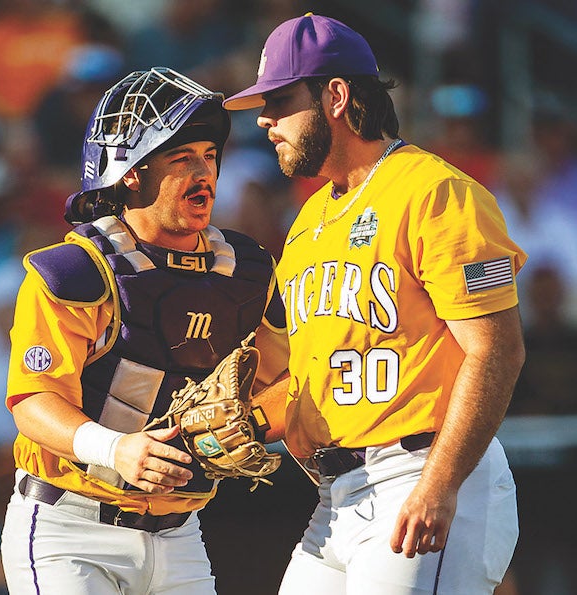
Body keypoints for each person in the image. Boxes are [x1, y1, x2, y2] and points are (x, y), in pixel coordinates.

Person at [224, 13, 527, 594]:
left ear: (335, 96)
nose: (265, 119)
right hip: (333, 498)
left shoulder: (434, 192)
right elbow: (292, 368)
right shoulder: (310, 218)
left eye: (280, 100)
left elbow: (497, 352)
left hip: (422, 470)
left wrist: (439, 486)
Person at [0, 67, 289, 594]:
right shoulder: (75, 270)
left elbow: (287, 382)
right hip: (70, 527)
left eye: (209, 155)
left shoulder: (248, 271)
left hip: (180, 533)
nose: (203, 172)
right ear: (132, 173)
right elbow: (33, 401)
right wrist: (117, 448)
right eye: (181, 159)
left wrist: (255, 421)